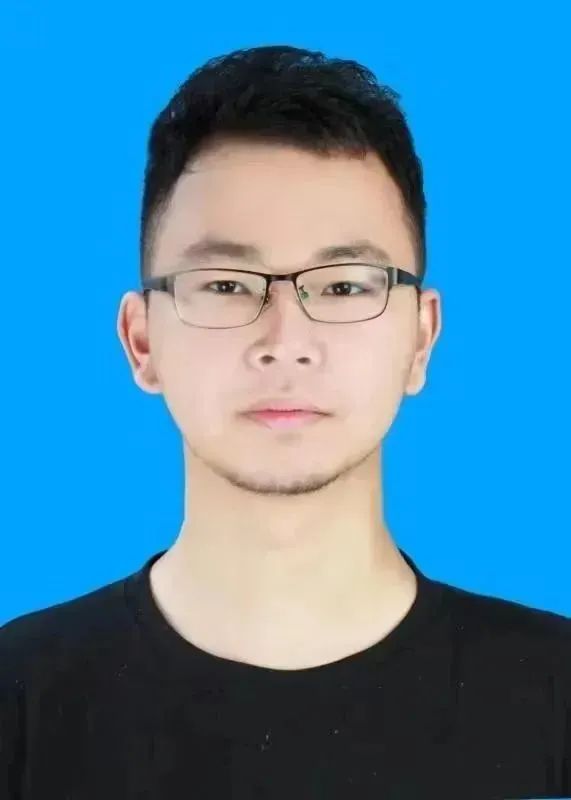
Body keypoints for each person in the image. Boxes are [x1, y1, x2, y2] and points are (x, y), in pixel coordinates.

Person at [1, 44, 569, 800]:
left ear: (420, 339)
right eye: (225, 284)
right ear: (141, 341)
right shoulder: (18, 703)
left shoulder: (555, 697)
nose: (285, 341)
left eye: (343, 286)